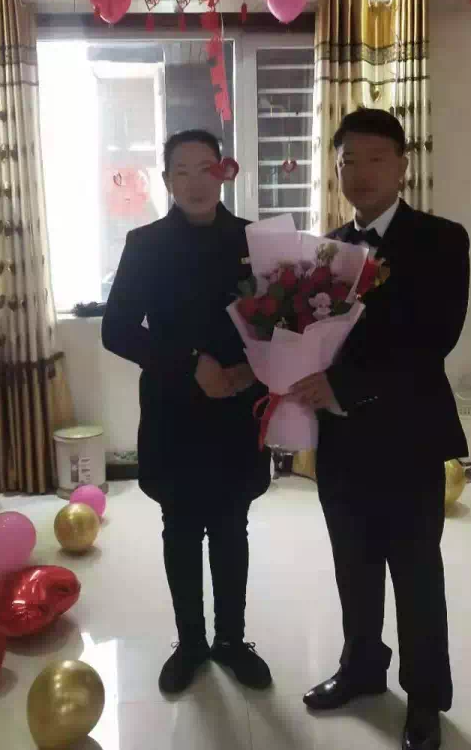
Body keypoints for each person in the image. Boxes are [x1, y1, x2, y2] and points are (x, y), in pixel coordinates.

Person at [291, 109, 470, 750]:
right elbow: (308, 335)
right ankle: (362, 667)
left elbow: (434, 337)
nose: (361, 173)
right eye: (348, 162)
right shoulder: (327, 248)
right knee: (354, 564)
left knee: (416, 572)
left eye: (375, 159)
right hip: (342, 441)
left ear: (401, 166)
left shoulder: (441, 239)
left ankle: (424, 697)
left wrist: (344, 384)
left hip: (409, 436)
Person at [102, 130, 273, 695]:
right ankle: (191, 643)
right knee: (179, 528)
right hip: (174, 410)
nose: (196, 182)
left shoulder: (256, 241)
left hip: (237, 410)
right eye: (182, 170)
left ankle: (232, 641)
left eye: (206, 168)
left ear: (223, 172)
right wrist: (190, 362)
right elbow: (117, 330)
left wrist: (251, 371)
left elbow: (285, 323)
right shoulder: (146, 244)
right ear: (167, 179)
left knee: (231, 527)